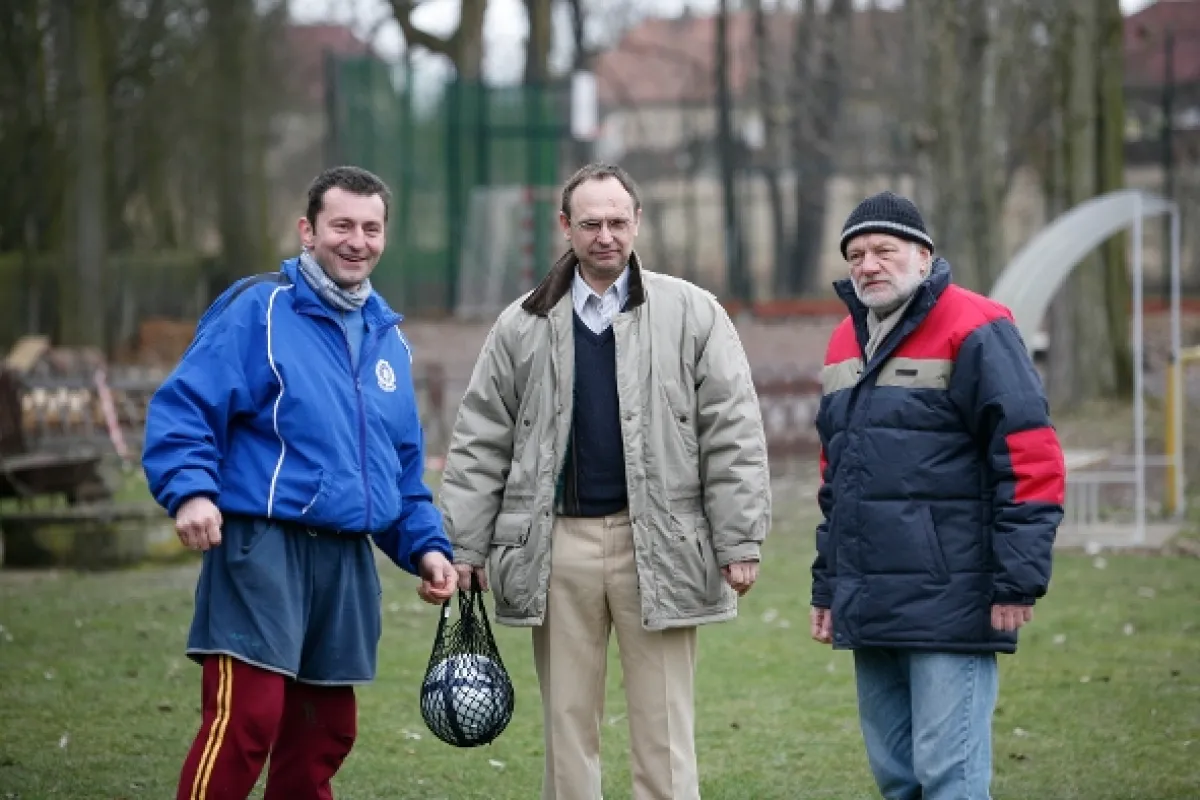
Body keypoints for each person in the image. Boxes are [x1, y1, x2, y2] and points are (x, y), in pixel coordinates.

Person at [438, 163, 771, 800]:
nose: (605, 236)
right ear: (565, 227)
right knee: (567, 729)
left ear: (638, 222)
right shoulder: (521, 324)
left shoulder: (693, 312)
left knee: (665, 730)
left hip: (664, 542)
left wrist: (739, 540)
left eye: (618, 221)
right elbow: (481, 437)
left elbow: (732, 431)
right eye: (590, 223)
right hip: (555, 546)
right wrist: (466, 546)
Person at [142, 165, 458, 800]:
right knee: (247, 721)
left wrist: (427, 546)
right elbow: (186, 408)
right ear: (308, 231)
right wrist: (192, 490)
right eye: (342, 225)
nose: (357, 240)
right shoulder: (257, 307)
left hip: (344, 560)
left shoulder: (388, 339)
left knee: (325, 731)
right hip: (264, 547)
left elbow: (397, 470)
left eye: (371, 228)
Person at [809, 191, 1066, 800]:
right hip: (871, 601)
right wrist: (829, 587)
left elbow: (1031, 458)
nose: (868, 264)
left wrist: (1017, 578)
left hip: (954, 597)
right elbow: (836, 479)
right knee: (897, 778)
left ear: (924, 257)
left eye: (884, 250)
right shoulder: (844, 341)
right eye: (856, 254)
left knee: (949, 777)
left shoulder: (977, 325)